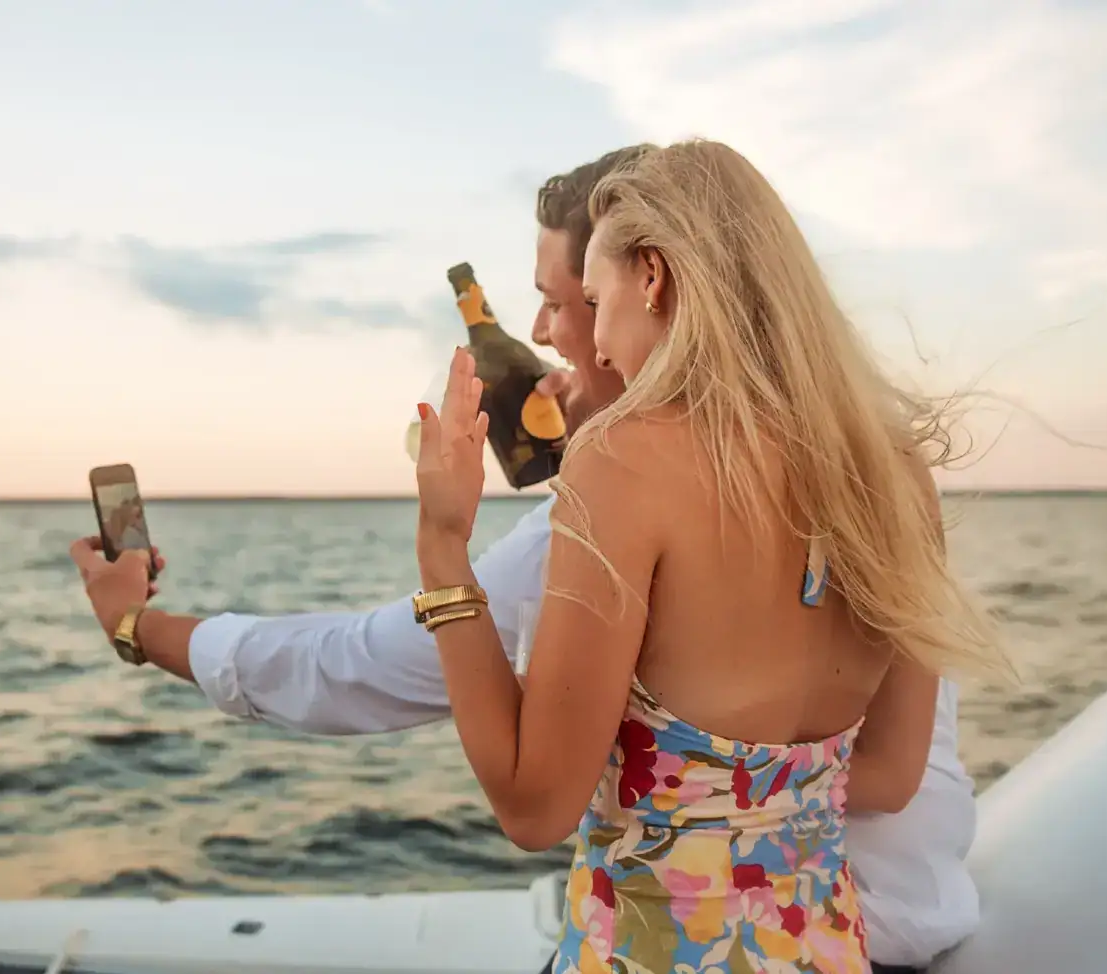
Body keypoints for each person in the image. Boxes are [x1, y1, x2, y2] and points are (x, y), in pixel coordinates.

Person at [68, 145, 989, 973]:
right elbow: (890, 772)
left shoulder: (623, 463)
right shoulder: (893, 471)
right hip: (826, 944)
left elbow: (531, 806)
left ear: (653, 277)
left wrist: (443, 545)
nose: (571, 335)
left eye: (587, 297)